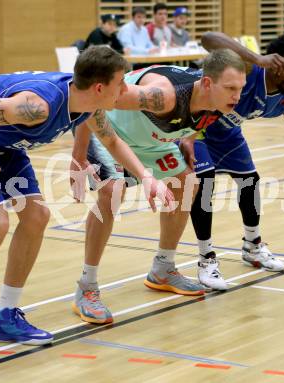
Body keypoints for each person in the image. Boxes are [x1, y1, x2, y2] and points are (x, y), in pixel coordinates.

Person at [0, 46, 172, 364]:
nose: (126, 91)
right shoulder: (36, 106)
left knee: (37, 216)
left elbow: (112, 140)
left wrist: (146, 177)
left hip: (6, 143)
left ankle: (5, 316)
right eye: (121, 83)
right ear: (100, 87)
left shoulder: (88, 106)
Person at [70, 48, 247, 324]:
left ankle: (163, 269)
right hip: (108, 131)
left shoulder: (218, 100)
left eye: (241, 88)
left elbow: (196, 121)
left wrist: (188, 138)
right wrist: (78, 156)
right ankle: (87, 287)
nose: (237, 96)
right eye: (231, 88)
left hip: (150, 143)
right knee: (113, 191)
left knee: (188, 184)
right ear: (208, 83)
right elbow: (90, 101)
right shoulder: (162, 96)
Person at [189, 32, 284, 290]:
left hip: (226, 133)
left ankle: (252, 246)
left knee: (250, 181)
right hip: (196, 126)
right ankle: (206, 259)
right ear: (273, 63)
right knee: (204, 185)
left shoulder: (282, 95)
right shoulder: (249, 69)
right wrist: (257, 58)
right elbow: (207, 38)